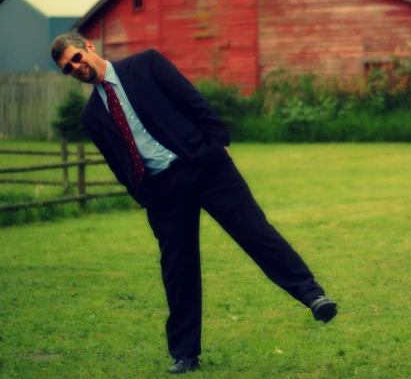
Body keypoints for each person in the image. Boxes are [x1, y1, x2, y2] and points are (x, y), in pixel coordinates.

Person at [50, 33, 337, 374]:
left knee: (256, 233)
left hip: (204, 167)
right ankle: (185, 354)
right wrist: (142, 194)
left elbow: (191, 100)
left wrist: (217, 143)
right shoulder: (91, 115)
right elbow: (116, 161)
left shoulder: (146, 64)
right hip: (161, 191)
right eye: (69, 69)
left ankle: (312, 295)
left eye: (76, 58)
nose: (77, 68)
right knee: (178, 270)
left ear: (89, 48)